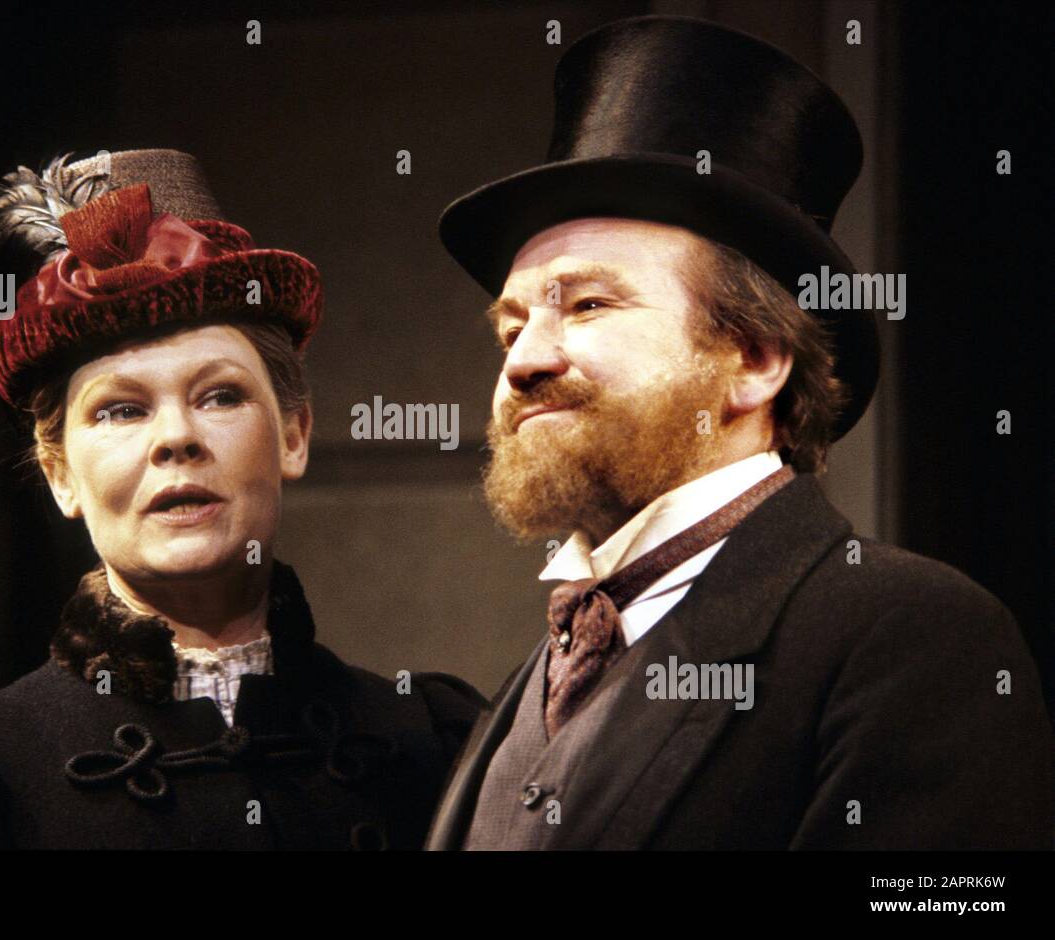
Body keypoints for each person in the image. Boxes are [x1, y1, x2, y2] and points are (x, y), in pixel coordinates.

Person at [426, 16, 1053, 850]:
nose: (525, 360)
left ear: (754, 359)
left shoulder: (918, 638)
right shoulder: (521, 689)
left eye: (588, 305)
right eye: (510, 328)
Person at [0, 148, 483, 850]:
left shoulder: (436, 740)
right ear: (59, 470)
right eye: (121, 410)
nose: (177, 438)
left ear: (295, 434)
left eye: (220, 395)